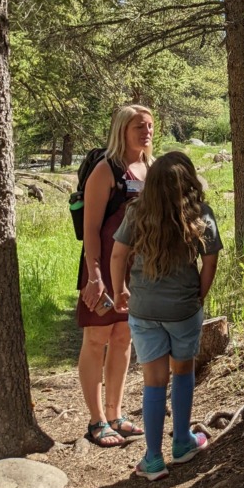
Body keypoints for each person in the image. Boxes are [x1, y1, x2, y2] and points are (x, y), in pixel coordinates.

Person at [110, 151, 222, 481]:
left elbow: (118, 254)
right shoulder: (201, 214)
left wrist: (120, 291)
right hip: (183, 309)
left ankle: (153, 458)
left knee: (153, 381)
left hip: (144, 309)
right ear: (189, 181)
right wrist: (198, 297)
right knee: (183, 371)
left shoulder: (137, 212)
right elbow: (211, 262)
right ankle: (183, 443)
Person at [77, 104, 154, 447]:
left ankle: (116, 414)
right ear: (122, 129)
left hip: (136, 269)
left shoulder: (150, 168)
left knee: (123, 338)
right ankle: (96, 421)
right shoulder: (105, 170)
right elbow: (91, 230)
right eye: (139, 125)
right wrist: (94, 276)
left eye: (150, 126)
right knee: (97, 338)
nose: (146, 131)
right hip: (103, 265)